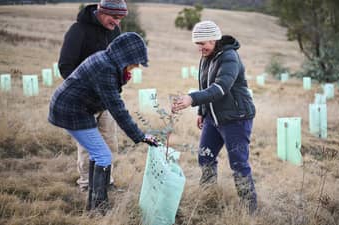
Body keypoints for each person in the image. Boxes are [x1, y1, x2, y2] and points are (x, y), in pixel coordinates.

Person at [49, 32, 158, 214]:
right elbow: (117, 109)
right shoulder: (105, 69)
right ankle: (98, 209)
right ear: (125, 56)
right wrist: (140, 136)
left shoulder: (107, 60)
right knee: (103, 156)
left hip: (78, 108)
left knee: (98, 154)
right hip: (72, 111)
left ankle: (93, 202)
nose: (137, 66)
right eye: (135, 61)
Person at [172, 21, 258, 214]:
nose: (200, 48)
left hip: (236, 118)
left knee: (238, 165)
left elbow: (220, 88)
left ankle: (249, 210)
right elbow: (204, 85)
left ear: (215, 39)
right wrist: (202, 112)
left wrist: (191, 99)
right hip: (213, 118)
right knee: (205, 156)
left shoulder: (230, 57)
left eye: (204, 43)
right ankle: (208, 196)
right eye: (198, 44)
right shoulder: (206, 56)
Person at [58, 0, 128, 191]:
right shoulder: (78, 30)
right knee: (88, 146)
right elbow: (65, 66)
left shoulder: (114, 31)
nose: (117, 22)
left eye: (120, 19)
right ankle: (87, 185)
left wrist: (122, 75)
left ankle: (107, 183)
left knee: (109, 142)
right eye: (114, 17)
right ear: (101, 11)